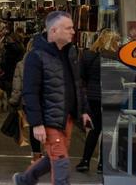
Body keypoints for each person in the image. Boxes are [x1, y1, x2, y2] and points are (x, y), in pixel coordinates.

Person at [13, 11, 91, 185]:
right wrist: (37, 123)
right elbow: (30, 92)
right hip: (49, 120)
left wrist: (84, 110)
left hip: (67, 118)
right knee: (61, 159)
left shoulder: (71, 53)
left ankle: (24, 179)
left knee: (54, 156)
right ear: (54, 31)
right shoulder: (36, 56)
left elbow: (77, 84)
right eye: (68, 28)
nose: (73, 31)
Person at [77, 29, 121, 174]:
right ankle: (103, 164)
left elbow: (81, 75)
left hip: (93, 97)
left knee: (95, 129)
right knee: (108, 131)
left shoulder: (88, 55)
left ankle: (85, 161)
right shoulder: (115, 57)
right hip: (111, 96)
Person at [9, 39, 42, 163]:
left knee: (34, 127)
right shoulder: (46, 62)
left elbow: (17, 85)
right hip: (45, 100)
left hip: (28, 101)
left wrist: (14, 100)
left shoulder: (21, 64)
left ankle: (36, 156)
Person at [0, 31, 26, 95]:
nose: (7, 40)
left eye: (8, 39)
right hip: (17, 68)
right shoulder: (21, 46)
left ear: (12, 39)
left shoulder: (11, 47)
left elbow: (7, 60)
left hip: (10, 69)